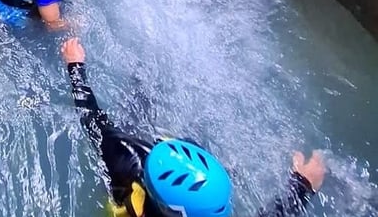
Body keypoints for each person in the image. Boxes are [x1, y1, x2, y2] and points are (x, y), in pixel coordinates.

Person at [60, 37, 328, 217]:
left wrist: (75, 66)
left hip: (129, 183)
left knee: (135, 111)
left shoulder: (129, 158)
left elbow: (91, 120)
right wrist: (301, 186)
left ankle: (145, 75)